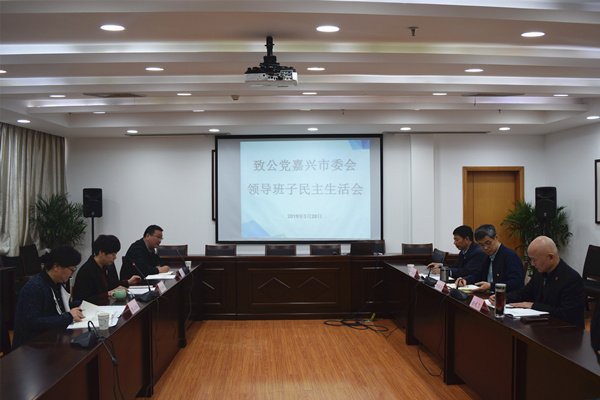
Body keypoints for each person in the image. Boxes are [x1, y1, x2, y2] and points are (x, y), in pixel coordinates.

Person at [490, 236, 585, 328]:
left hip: (565, 331)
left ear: (550, 257)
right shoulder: (540, 272)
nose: (532, 264)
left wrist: (533, 305)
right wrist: (505, 297)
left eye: (534, 260)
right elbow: (525, 292)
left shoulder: (571, 279)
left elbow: (565, 313)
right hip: (541, 326)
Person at [12, 245, 85, 349]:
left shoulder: (56, 283)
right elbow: (32, 322)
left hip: (51, 339)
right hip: (32, 347)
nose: (72, 273)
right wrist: (68, 316)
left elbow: (57, 308)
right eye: (71, 269)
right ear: (56, 267)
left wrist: (79, 305)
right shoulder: (35, 287)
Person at [73, 235, 141, 304]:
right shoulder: (87, 270)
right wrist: (108, 293)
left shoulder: (104, 266)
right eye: (113, 254)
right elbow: (85, 299)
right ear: (101, 253)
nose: (115, 257)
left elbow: (111, 284)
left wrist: (128, 282)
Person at [456, 224, 524, 293]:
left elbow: (517, 283)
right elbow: (478, 275)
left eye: (488, 243)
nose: (485, 248)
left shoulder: (510, 256)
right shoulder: (487, 256)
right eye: (481, 245)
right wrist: (465, 280)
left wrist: (491, 286)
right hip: (488, 295)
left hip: (505, 296)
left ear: (496, 237)